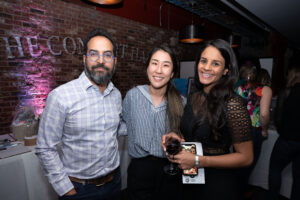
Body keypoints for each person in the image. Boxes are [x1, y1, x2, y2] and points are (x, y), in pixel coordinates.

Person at [36, 28, 126, 200]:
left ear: (114, 61)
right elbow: (45, 148)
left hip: (114, 184)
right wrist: (67, 191)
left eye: (107, 55)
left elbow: (115, 128)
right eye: (94, 54)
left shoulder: (116, 95)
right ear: (84, 59)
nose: (101, 61)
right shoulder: (61, 96)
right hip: (80, 190)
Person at [162, 39, 253, 200]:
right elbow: (194, 135)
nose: (207, 67)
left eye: (216, 63)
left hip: (217, 184)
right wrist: (178, 138)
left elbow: (246, 157)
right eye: (203, 61)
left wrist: (198, 161)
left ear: (226, 70)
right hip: (191, 177)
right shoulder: (194, 96)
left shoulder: (233, 103)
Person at [122, 45, 185, 200]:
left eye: (165, 65)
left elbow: (185, 135)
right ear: (147, 67)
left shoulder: (181, 102)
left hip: (170, 171)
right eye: (154, 63)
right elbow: (122, 125)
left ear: (172, 74)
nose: (158, 70)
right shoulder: (133, 96)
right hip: (139, 170)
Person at [235, 65, 272, 198]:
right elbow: (263, 115)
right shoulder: (264, 90)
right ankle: (240, 193)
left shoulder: (237, 88)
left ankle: (233, 191)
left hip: (237, 129)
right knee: (248, 164)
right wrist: (265, 130)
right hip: (253, 131)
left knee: (237, 163)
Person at [269, 66, 300, 200]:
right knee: (298, 178)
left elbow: (278, 118)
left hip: (287, 140)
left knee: (275, 170)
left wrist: (284, 132)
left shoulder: (286, 92)